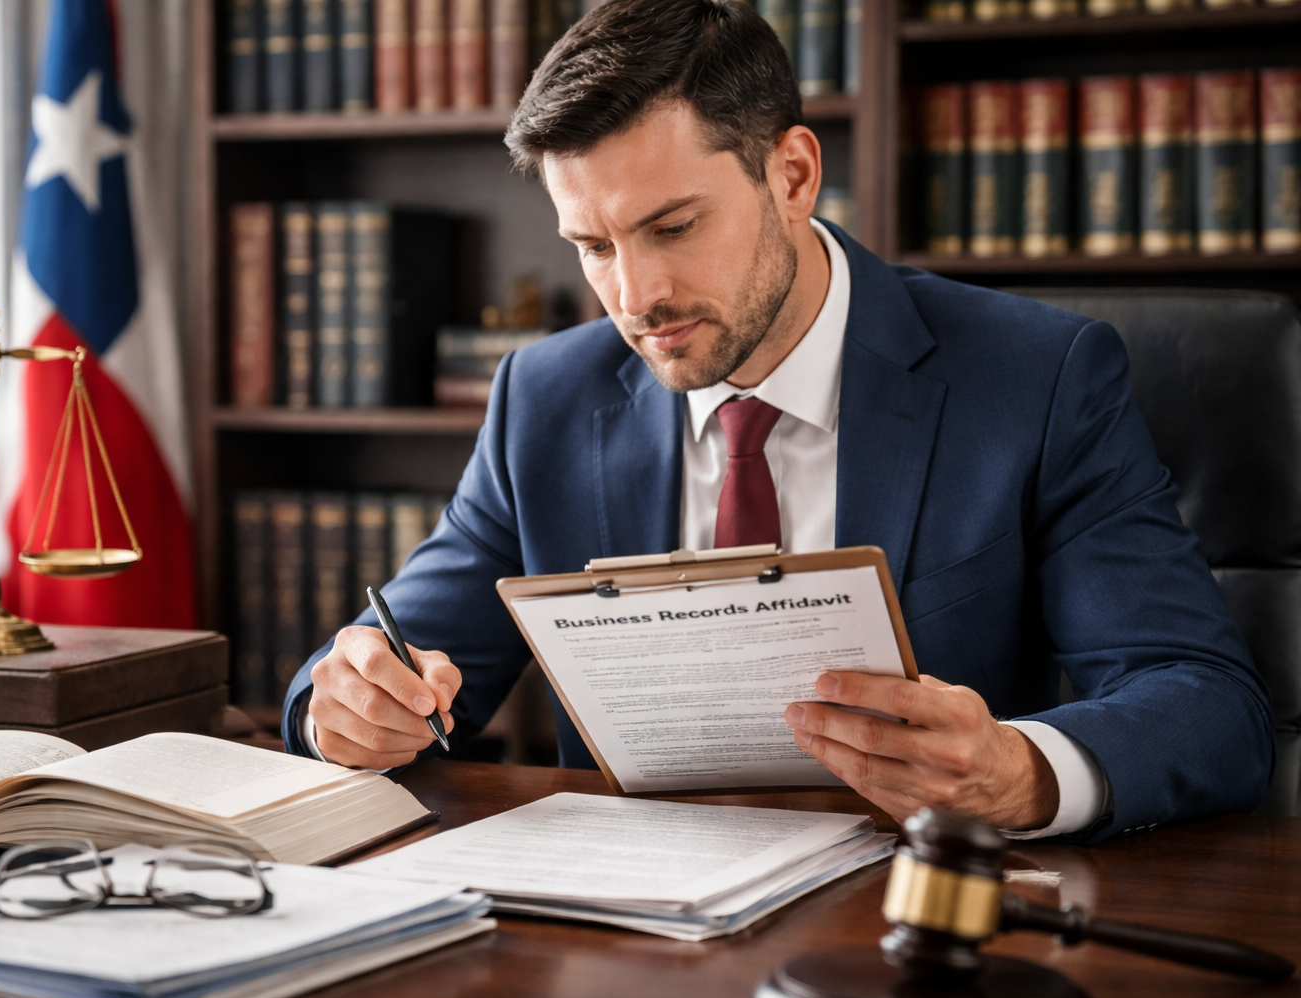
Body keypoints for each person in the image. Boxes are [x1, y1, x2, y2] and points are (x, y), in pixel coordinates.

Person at [281, 0, 1273, 843]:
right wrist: (352, 705)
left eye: (673, 227)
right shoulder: (544, 398)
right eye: (592, 246)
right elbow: (383, 667)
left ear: (793, 176)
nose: (637, 296)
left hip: (913, 925)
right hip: (633, 934)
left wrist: (1015, 770)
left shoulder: (1035, 378)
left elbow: (1209, 705)